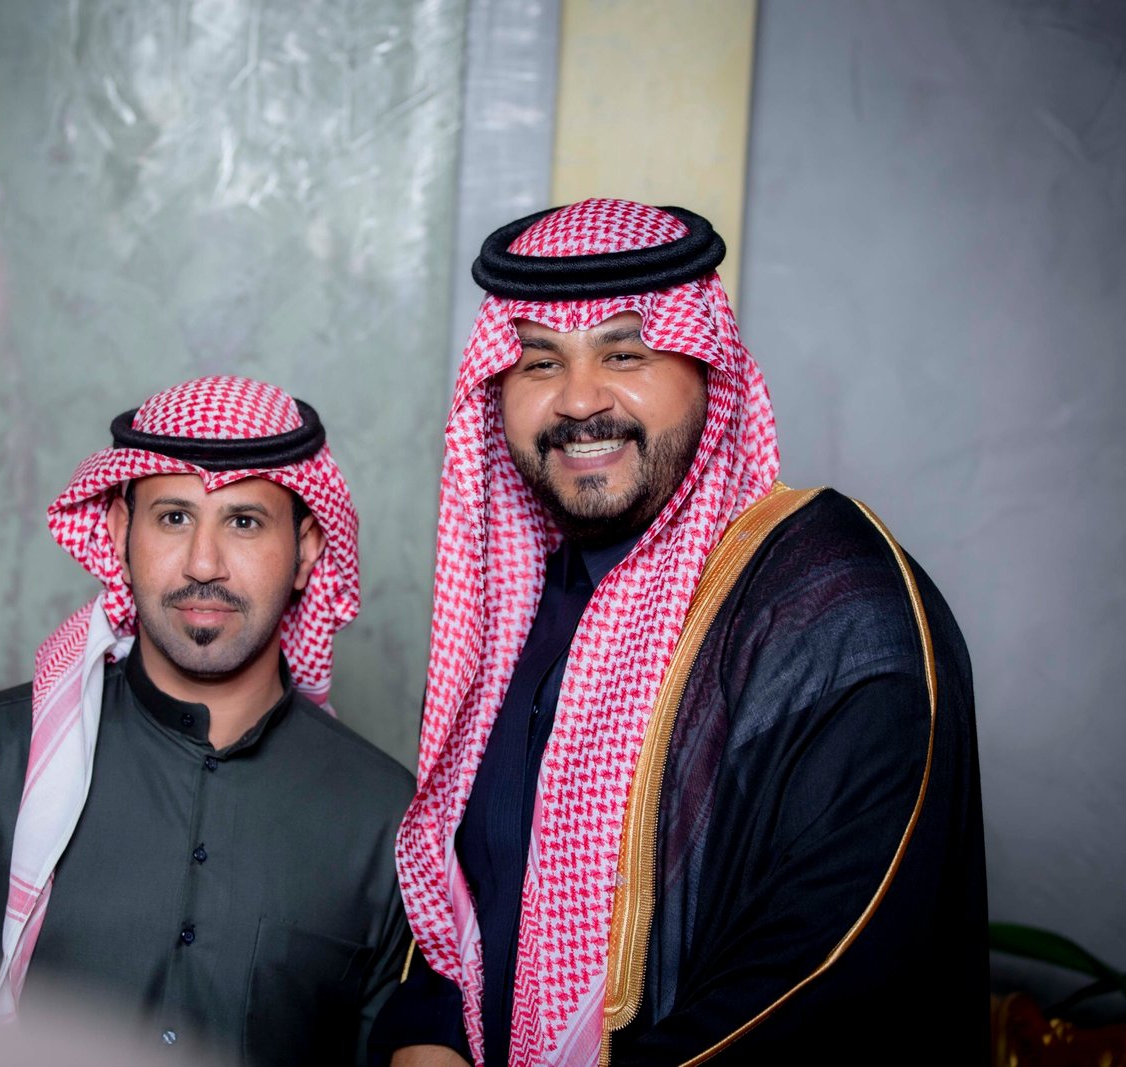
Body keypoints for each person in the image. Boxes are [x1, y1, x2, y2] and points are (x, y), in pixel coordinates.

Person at [371, 199, 987, 1065]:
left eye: (625, 353)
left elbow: (833, 973)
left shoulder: (835, 603)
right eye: (540, 361)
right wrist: (426, 1033)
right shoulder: (518, 611)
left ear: (709, 369)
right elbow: (463, 891)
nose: (578, 399)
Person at [0, 375, 415, 1066]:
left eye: (244, 522)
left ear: (306, 550)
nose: (203, 563)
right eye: (174, 518)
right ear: (120, 532)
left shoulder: (385, 820)